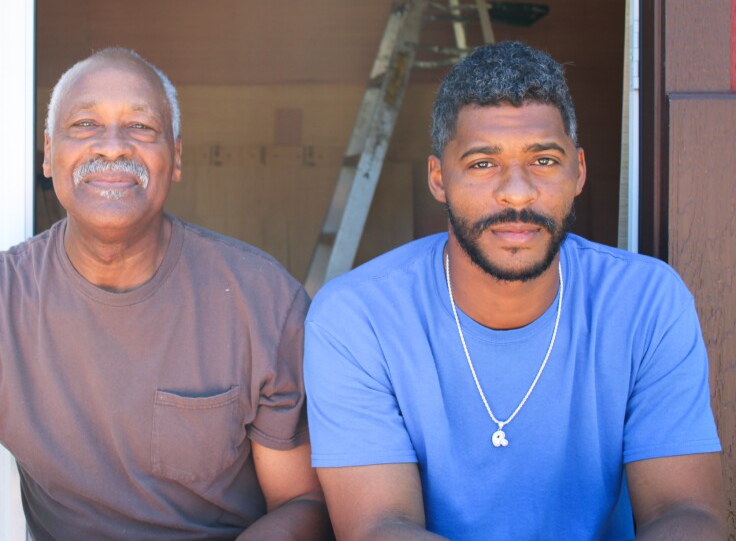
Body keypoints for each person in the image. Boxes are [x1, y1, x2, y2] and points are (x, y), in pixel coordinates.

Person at [0, 48, 330, 540]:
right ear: (47, 153)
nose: (112, 147)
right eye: (84, 124)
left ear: (177, 156)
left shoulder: (261, 300)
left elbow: (305, 504)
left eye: (141, 127)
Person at [303, 41, 725, 540]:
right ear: (439, 178)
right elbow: (379, 526)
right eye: (483, 164)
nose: (518, 192)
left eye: (544, 160)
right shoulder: (358, 316)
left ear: (579, 172)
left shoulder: (646, 301)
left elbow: (687, 514)